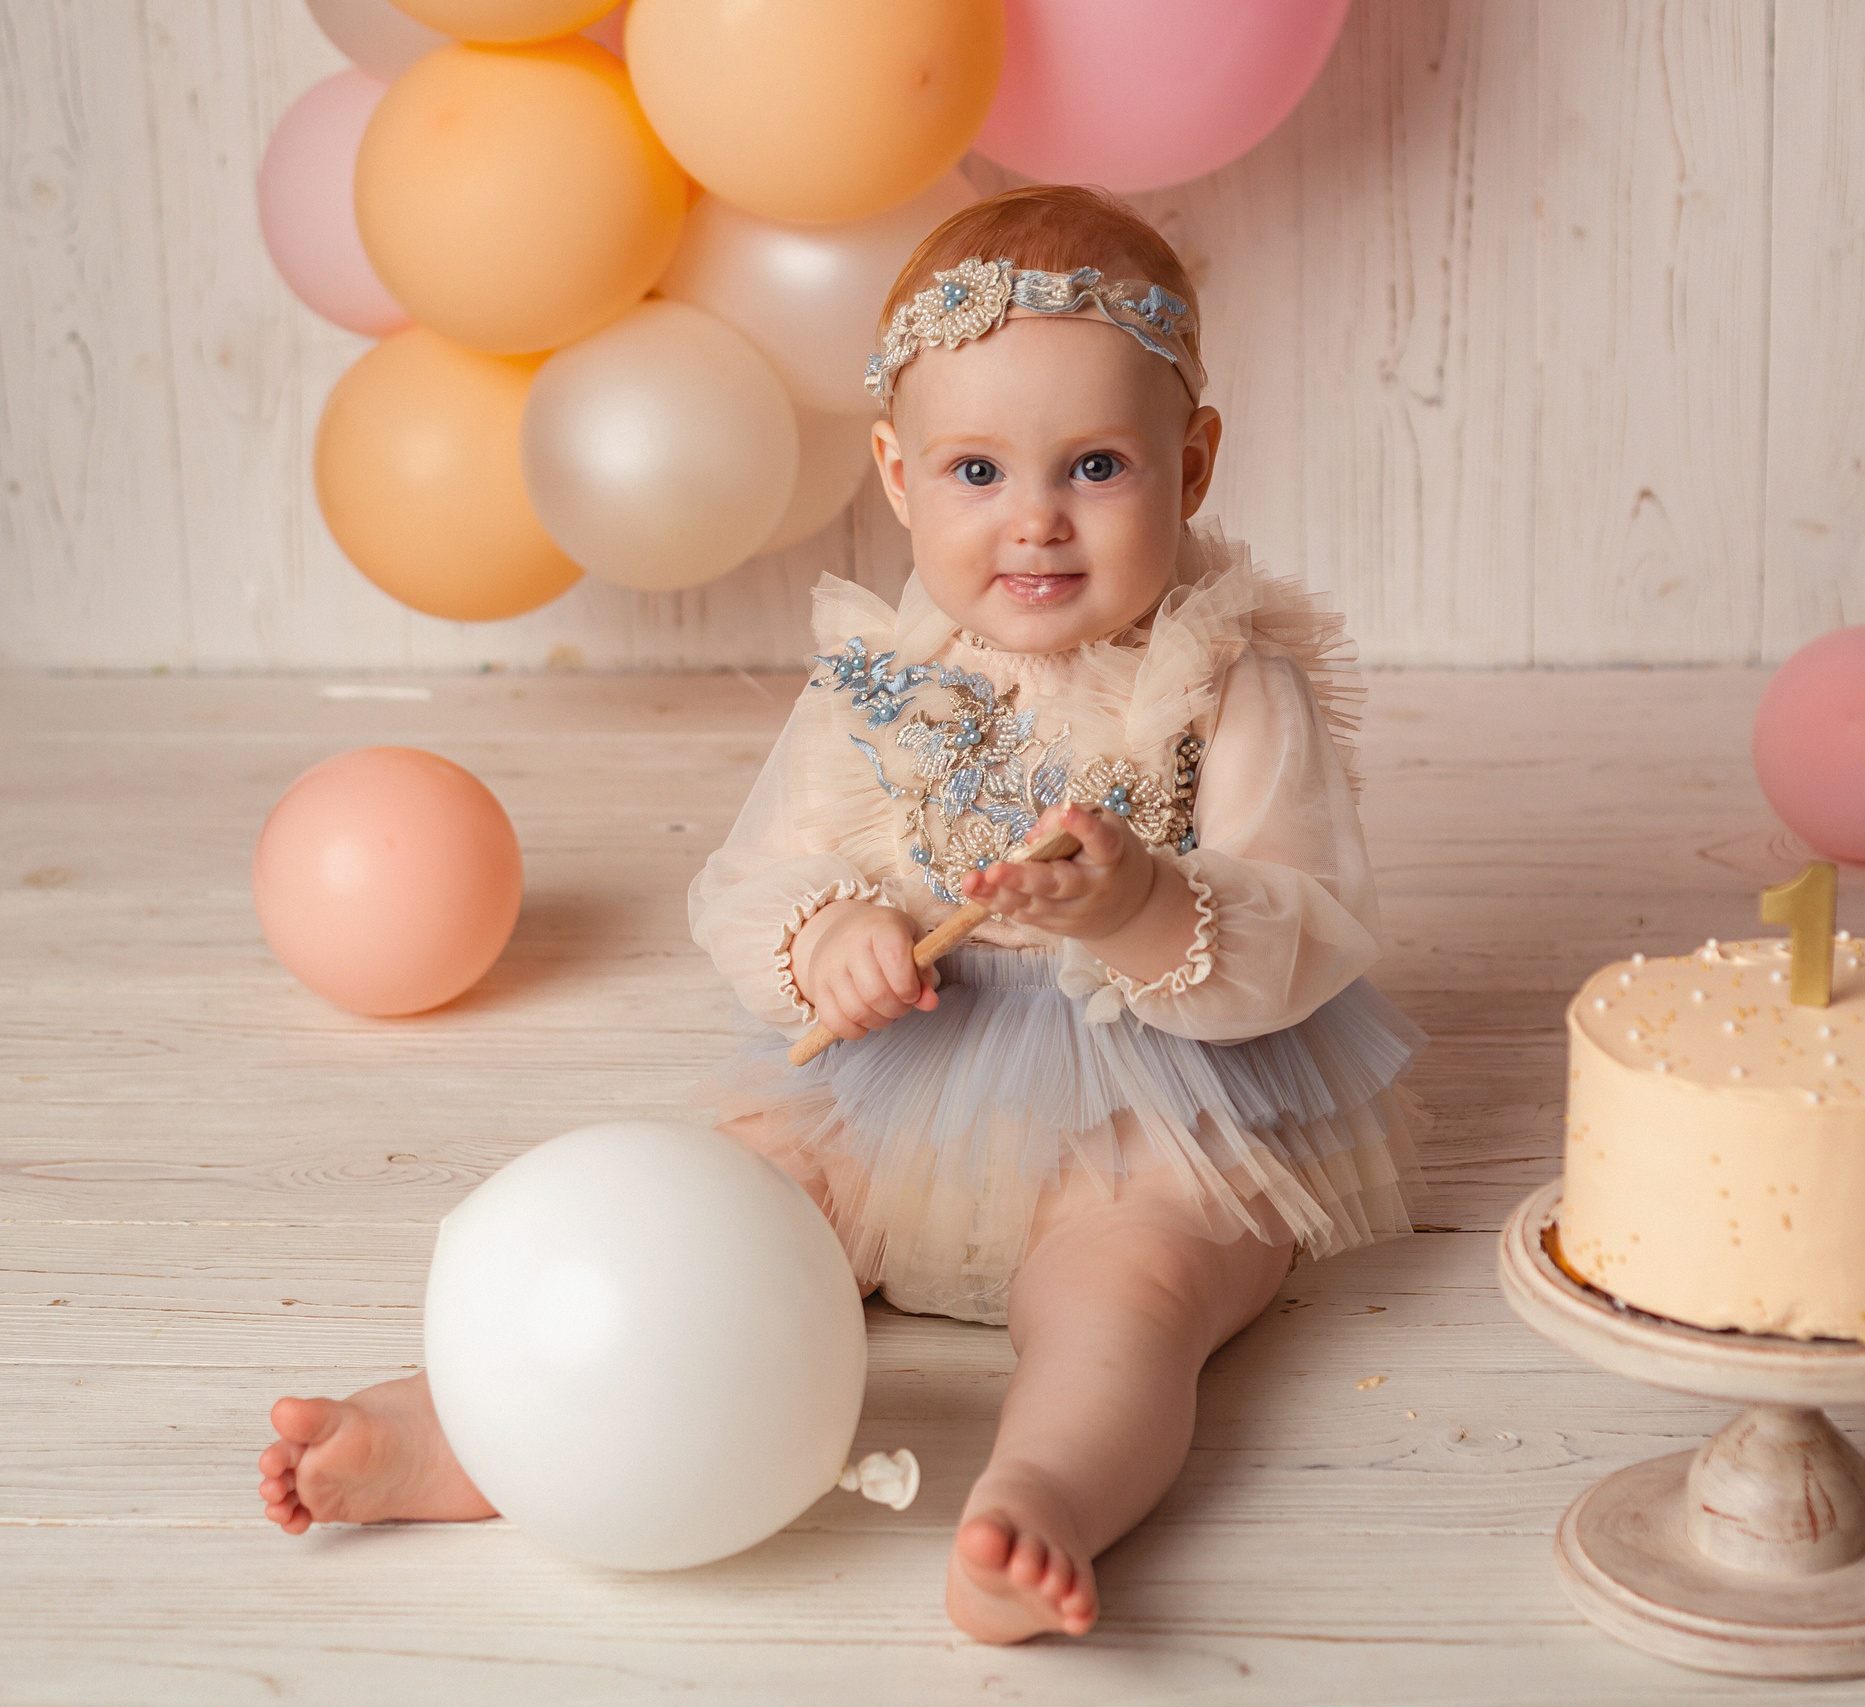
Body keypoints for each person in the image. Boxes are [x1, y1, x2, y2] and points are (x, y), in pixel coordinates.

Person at [256, 184, 1424, 1644]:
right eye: (978, 470)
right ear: (896, 473)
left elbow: (1309, 928)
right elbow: (751, 878)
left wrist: (1137, 902)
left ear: (1192, 466)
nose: (1036, 522)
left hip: (1163, 1099)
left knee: (1128, 1301)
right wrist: (831, 938)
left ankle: (1045, 1494)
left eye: (1101, 465)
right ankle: (465, 1429)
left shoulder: (1228, 685)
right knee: (720, 1210)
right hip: (900, 1080)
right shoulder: (876, 681)